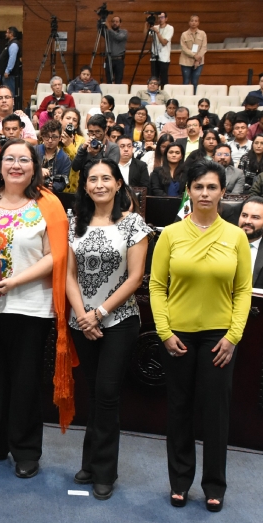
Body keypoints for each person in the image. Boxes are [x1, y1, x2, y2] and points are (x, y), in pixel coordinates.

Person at [0, 139, 72, 480]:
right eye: (10, 158)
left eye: (24, 159)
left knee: (25, 381)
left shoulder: (48, 205)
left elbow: (57, 255)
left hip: (29, 306)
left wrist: (16, 281)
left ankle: (24, 449)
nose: (16, 165)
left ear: (35, 166)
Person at [150, 160, 251, 513]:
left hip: (218, 337)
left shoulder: (236, 236)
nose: (205, 193)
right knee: (179, 408)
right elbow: (157, 286)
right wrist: (164, 332)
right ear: (188, 190)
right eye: (198, 187)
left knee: (215, 413)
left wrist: (233, 336)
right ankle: (179, 482)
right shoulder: (170, 234)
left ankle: (214, 485)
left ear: (223, 191)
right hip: (177, 335)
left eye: (212, 187)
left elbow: (243, 291)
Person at [67, 158, 150, 499]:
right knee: (93, 391)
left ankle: (104, 472)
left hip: (119, 320)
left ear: (118, 184)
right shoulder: (74, 222)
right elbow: (68, 275)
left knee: (107, 394)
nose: (99, 184)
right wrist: (82, 314)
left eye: (106, 178)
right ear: (84, 185)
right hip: (81, 321)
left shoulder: (134, 225)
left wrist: (98, 313)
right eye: (92, 179)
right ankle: (89, 463)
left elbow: (135, 278)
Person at [71, 115, 120, 181]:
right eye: (91, 132)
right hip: (84, 186)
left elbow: (109, 171)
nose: (94, 136)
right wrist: (82, 150)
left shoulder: (113, 148)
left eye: (97, 132)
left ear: (105, 130)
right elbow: (75, 167)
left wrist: (95, 155)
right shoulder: (85, 146)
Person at [36, 120, 72, 194]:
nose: (50, 140)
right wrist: (38, 170)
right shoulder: (34, 151)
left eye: (54, 137)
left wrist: (54, 186)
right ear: (42, 137)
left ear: (60, 138)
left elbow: (64, 181)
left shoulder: (65, 158)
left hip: (53, 195)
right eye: (46, 136)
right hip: (33, 190)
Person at [179, 15, 207, 94]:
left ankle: (194, 99)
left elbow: (204, 47)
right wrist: (194, 56)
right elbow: (183, 48)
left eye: (196, 21)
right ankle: (184, 99)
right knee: (186, 82)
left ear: (198, 23)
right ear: (189, 22)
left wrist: (198, 59)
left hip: (199, 62)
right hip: (186, 61)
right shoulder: (184, 34)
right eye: (192, 21)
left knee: (195, 82)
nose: (194, 23)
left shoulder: (202, 33)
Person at [148, 12, 174, 87]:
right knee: (154, 78)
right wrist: (147, 23)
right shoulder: (155, 27)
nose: (160, 19)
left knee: (164, 79)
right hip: (154, 56)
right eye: (159, 17)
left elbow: (164, 42)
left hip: (164, 57)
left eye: (162, 17)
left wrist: (157, 32)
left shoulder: (170, 28)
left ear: (166, 19)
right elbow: (145, 36)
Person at [0, 27, 22, 103]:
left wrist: (8, 71)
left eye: (7, 32)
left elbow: (12, 58)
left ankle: (12, 109)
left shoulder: (14, 44)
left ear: (11, 34)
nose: (6, 34)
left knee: (10, 93)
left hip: (10, 75)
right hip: (7, 75)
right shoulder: (10, 43)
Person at [105, 16, 128, 84]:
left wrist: (108, 27)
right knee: (108, 81)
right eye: (113, 21)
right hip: (109, 59)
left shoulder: (124, 32)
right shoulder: (108, 32)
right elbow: (100, 31)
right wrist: (101, 22)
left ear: (120, 23)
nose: (115, 23)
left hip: (119, 60)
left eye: (117, 21)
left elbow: (118, 37)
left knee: (118, 80)